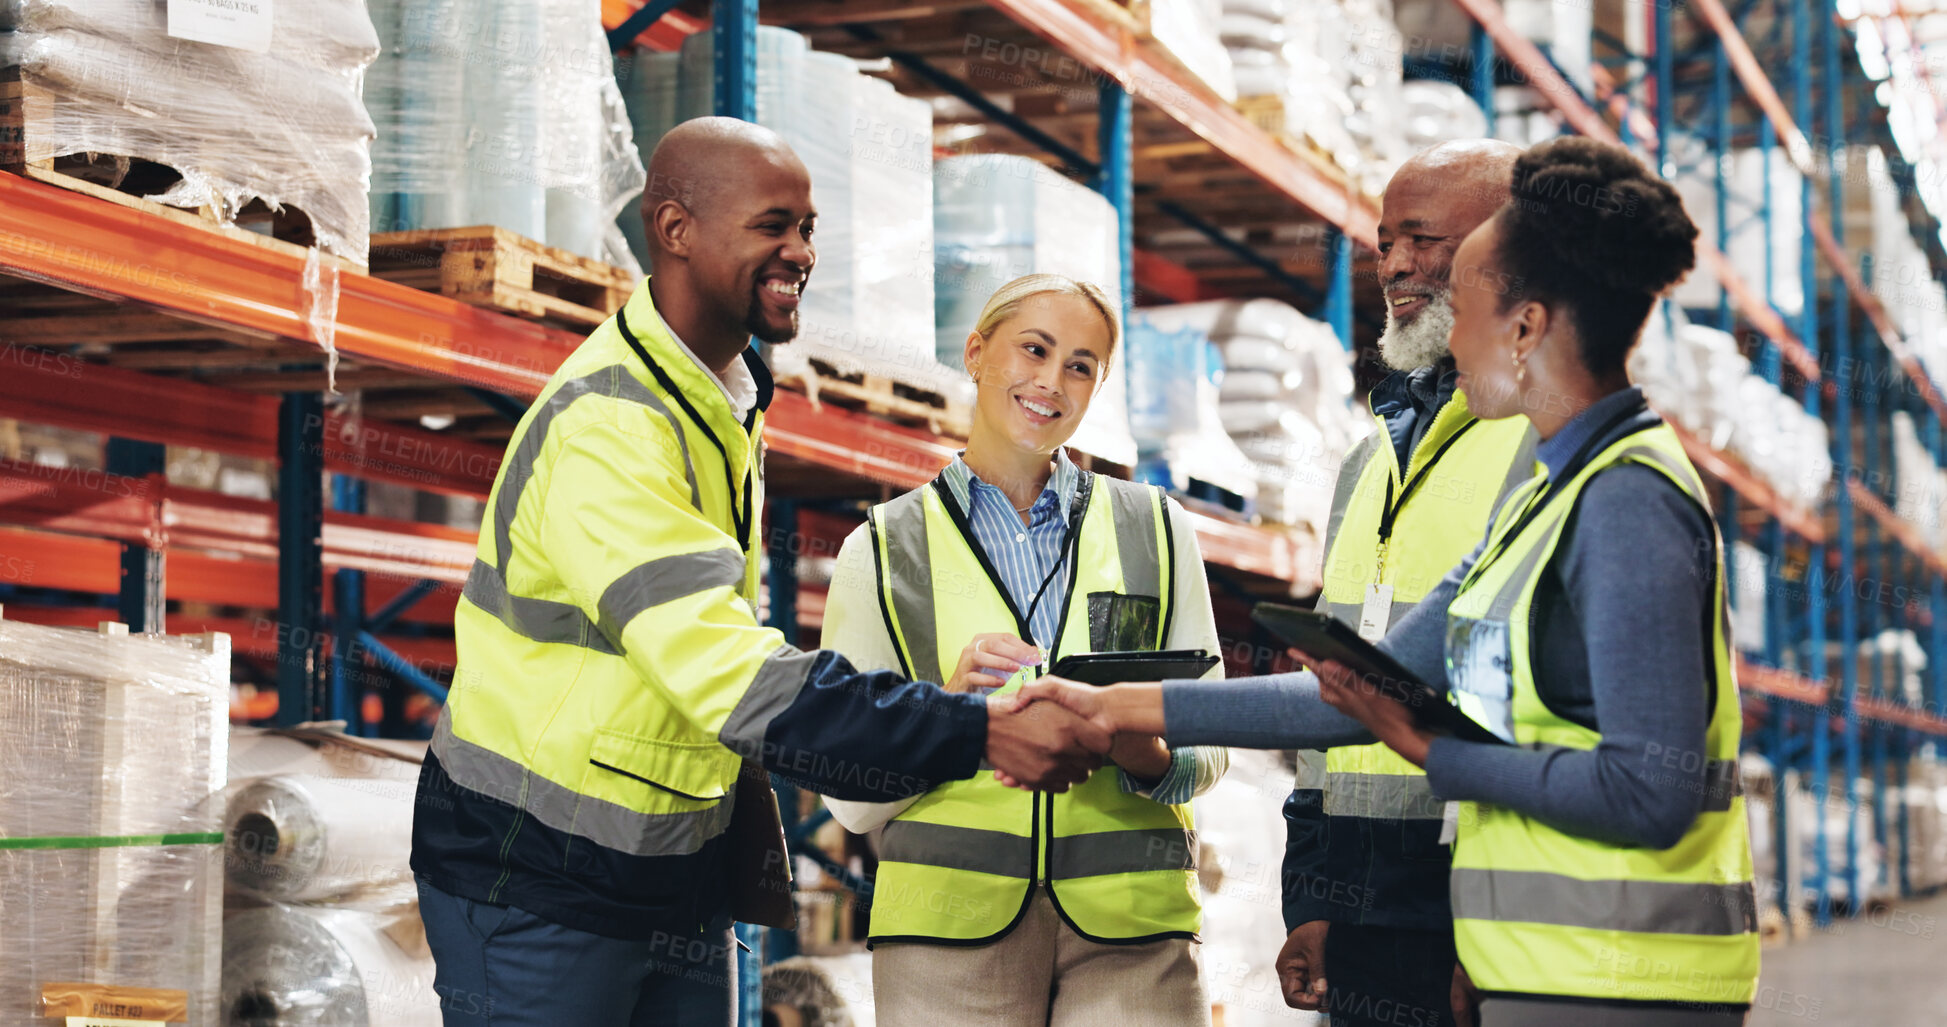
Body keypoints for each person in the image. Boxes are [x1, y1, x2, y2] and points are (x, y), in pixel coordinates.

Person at [1014, 138, 1759, 1025]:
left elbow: (1651, 790)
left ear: (1523, 326)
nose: (1438, 328)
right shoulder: (1544, 498)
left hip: (1624, 981)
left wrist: (1435, 754)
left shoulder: (1625, 497)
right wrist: (1109, 705)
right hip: (1538, 966)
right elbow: (1351, 692)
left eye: (1471, 306)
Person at [410, 119, 1112, 1027]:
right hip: (538, 874)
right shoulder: (613, 425)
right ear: (675, 230)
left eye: (809, 228)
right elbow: (734, 673)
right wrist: (970, 727)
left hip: (667, 869)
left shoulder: (717, 394)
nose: (801, 252)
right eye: (772, 225)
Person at [817, 274, 1229, 1027]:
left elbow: (1213, 744)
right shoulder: (879, 548)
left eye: (1079, 365)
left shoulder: (1155, 529)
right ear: (976, 354)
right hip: (946, 930)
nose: (1050, 381)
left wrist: (1148, 753)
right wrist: (946, 714)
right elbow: (848, 795)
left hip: (1132, 930)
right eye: (1032, 349)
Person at [1278, 139, 1537, 1027]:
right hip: (1357, 907)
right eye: (1384, 240)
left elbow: (1535, 709)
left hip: (1465, 905)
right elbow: (1330, 694)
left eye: (1420, 239)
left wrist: (1495, 925)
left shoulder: (1546, 446)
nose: (1391, 265)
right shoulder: (1372, 456)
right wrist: (1308, 896)